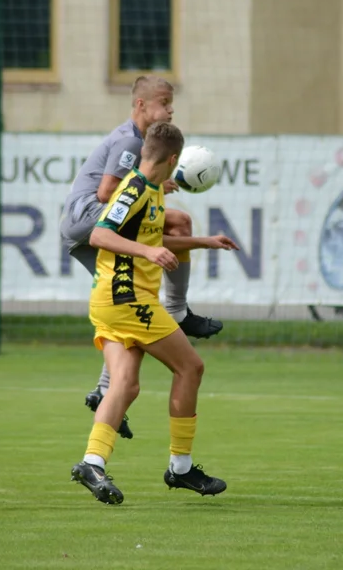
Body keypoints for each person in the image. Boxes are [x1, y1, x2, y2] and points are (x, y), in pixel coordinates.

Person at [59, 75, 237, 439]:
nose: (170, 109)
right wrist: (150, 183)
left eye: (171, 103)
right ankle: (177, 310)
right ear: (140, 106)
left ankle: (105, 390)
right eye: (163, 102)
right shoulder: (129, 139)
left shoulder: (140, 142)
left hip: (89, 223)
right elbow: (109, 191)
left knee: (128, 299)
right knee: (171, 235)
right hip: (86, 218)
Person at [70, 121, 233, 505]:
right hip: (128, 300)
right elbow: (98, 234)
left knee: (125, 384)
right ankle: (180, 467)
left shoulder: (154, 189)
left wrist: (203, 242)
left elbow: (152, 237)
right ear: (174, 158)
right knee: (190, 367)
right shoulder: (135, 187)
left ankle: (92, 462)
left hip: (113, 302)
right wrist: (147, 253)